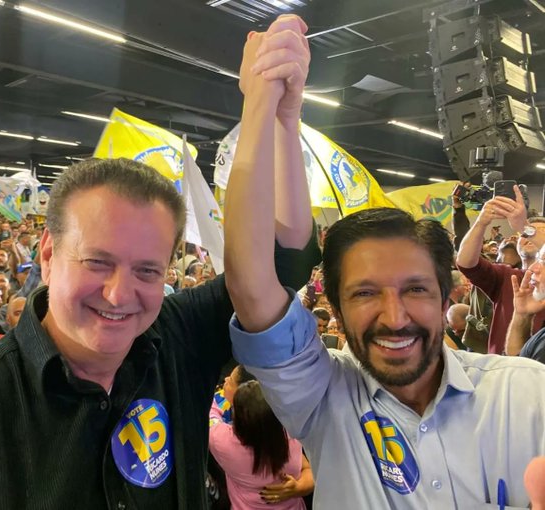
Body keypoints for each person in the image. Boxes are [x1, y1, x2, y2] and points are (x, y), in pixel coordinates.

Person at [0, 18, 317, 508]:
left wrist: (279, 116)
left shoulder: (176, 340)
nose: (120, 294)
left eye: (147, 270)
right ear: (48, 253)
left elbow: (283, 260)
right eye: (97, 262)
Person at [224, 15, 545, 508]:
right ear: (334, 306)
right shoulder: (321, 398)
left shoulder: (525, 395)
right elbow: (251, 283)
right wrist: (268, 107)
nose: (394, 317)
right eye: (365, 293)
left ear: (446, 297)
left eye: (415, 289)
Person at [456, 197, 545, 353]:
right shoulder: (507, 276)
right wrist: (481, 222)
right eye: (523, 234)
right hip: (504, 363)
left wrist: (524, 227)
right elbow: (466, 263)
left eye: (541, 231)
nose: (528, 236)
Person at [209, 379, 312, 509]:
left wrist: (225, 394)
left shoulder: (221, 442)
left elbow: (208, 413)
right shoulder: (293, 438)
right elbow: (308, 470)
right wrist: (298, 488)